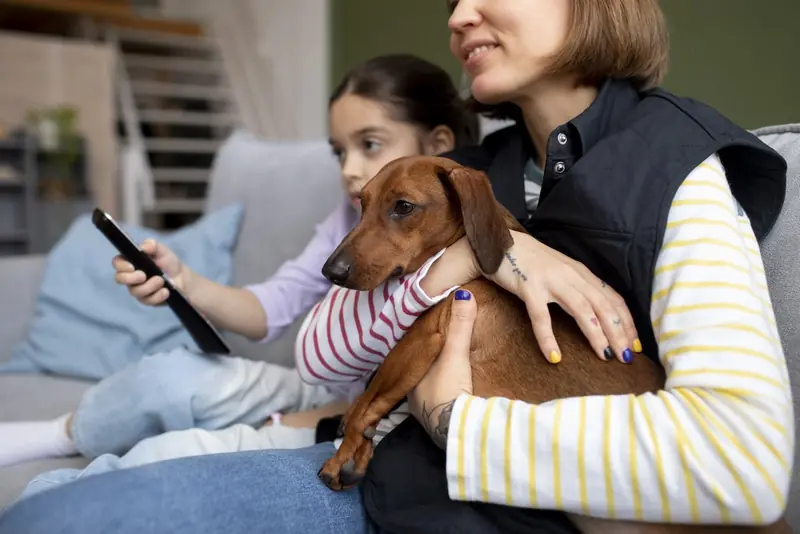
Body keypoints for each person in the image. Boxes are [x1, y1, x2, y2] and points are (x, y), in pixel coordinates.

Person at [0, 0, 791, 533]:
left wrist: (456, 421)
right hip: (388, 476)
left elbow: (745, 462)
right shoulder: (469, 172)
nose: (457, 15)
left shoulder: (677, 168)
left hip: (463, 501)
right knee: (52, 507)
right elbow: (326, 341)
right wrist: (499, 250)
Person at [0, 53, 480, 496]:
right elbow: (270, 307)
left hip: (370, 411)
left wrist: (308, 421)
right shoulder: (346, 217)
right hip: (328, 386)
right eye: (339, 151)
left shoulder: (463, 232)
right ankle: (59, 434)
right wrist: (182, 280)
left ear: (439, 143)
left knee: (169, 455)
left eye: (370, 144)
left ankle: (54, 499)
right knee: (169, 376)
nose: (350, 169)